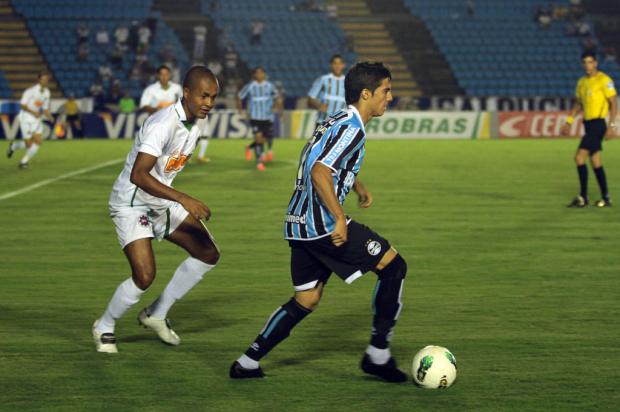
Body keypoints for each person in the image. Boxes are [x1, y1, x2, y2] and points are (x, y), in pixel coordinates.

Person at [230, 62, 409, 383]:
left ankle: (247, 361)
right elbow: (319, 171)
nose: (390, 97)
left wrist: (356, 184)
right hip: (322, 224)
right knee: (393, 266)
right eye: (386, 90)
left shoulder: (337, 118)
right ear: (366, 94)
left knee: (307, 298)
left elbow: (316, 157)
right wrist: (339, 218)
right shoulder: (352, 127)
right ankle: (377, 355)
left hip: (297, 223)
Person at [92, 66, 221, 353]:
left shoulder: (198, 123)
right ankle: (104, 325)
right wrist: (183, 199)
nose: (208, 103)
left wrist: (175, 199)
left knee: (207, 253)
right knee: (145, 275)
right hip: (132, 200)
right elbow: (139, 174)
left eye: (213, 98)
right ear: (186, 92)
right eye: (203, 96)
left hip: (159, 200)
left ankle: (156, 314)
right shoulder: (163, 123)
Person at [562, 51, 617, 208]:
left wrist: (612, 126)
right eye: (585, 62)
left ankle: (583, 197)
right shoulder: (581, 82)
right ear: (582, 64)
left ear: (596, 63)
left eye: (590, 62)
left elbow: (613, 103)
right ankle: (606, 198)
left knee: (579, 158)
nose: (587, 65)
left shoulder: (604, 80)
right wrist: (569, 121)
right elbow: (578, 104)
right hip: (588, 124)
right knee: (595, 161)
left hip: (598, 124)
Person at [237, 66, 281, 170]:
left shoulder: (270, 86)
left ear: (264, 74)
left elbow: (278, 97)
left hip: (267, 117)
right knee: (258, 137)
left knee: (263, 139)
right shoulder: (250, 86)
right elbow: (239, 97)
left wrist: (276, 107)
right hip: (255, 117)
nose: (259, 75)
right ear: (254, 75)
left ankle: (249, 147)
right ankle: (259, 162)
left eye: (261, 73)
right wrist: (241, 110)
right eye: (257, 73)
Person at [7, 72, 52, 168]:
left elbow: (45, 108)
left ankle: (23, 162)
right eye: (43, 79)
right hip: (26, 118)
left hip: (36, 119)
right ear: (39, 80)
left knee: (38, 141)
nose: (45, 81)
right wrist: (33, 112)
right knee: (28, 144)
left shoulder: (47, 92)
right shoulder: (30, 91)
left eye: (47, 79)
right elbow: (22, 105)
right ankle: (13, 146)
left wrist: (49, 116)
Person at [308, 54, 347, 126]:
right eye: (335, 63)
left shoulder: (347, 82)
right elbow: (310, 98)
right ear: (331, 65)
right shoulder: (323, 79)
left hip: (339, 124)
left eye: (339, 63)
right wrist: (319, 105)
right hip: (322, 122)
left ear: (343, 65)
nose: (337, 66)